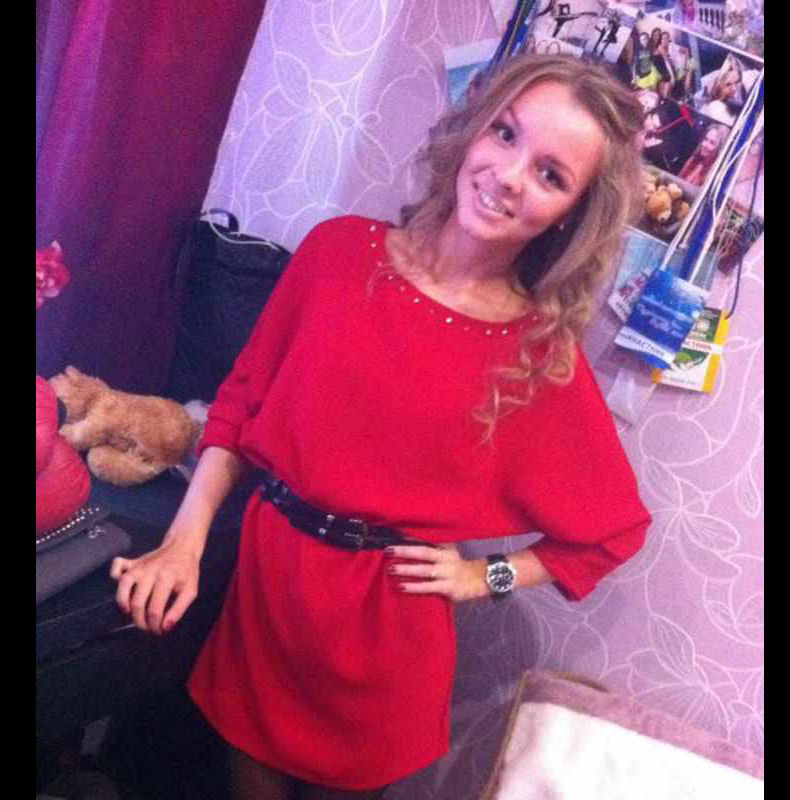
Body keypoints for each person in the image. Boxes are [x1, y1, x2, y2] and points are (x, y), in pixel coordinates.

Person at [110, 54, 652, 800]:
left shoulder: (537, 357)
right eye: (505, 134)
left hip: (383, 637)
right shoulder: (337, 253)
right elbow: (241, 407)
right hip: (268, 591)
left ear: (570, 214)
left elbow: (610, 532)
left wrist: (484, 576)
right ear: (474, 128)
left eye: (551, 174)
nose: (508, 176)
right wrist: (184, 542)